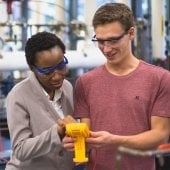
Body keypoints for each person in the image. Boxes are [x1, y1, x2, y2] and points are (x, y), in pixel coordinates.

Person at [62, 3, 170, 170]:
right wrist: (75, 140)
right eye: (100, 41)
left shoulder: (160, 79)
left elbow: (160, 136)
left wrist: (114, 141)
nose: (106, 48)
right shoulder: (85, 82)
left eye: (113, 40)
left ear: (131, 33)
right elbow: (87, 139)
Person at [5, 31, 76, 170]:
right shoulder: (19, 95)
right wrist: (57, 133)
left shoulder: (67, 87)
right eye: (48, 72)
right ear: (32, 68)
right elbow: (20, 150)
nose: (57, 77)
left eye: (61, 66)